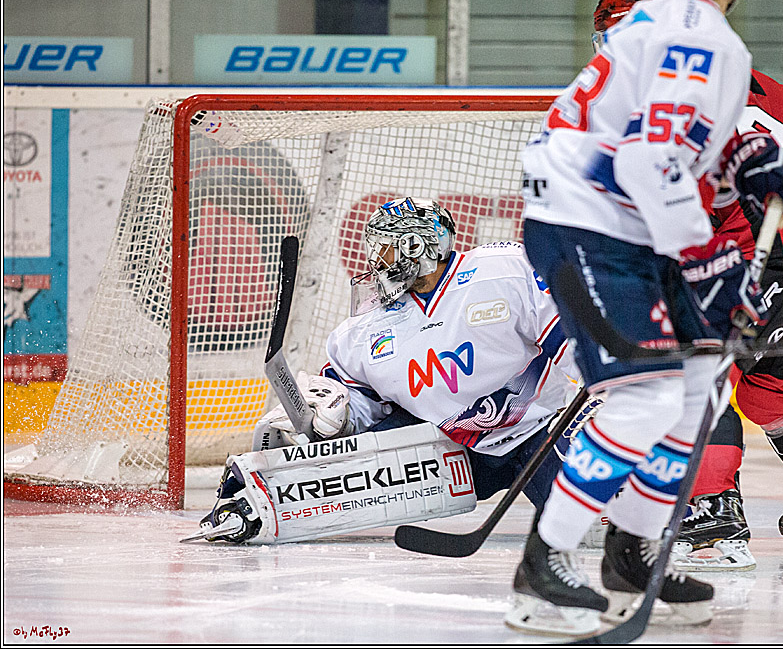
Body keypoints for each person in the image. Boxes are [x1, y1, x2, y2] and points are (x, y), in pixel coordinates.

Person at [509, 0, 783, 637]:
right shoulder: (704, 36)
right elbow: (650, 159)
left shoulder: (665, 23)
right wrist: (703, 258)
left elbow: (673, 143)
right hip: (592, 219)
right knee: (647, 395)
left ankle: (631, 556)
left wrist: (746, 159)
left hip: (622, 220)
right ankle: (541, 563)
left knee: (701, 391)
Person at [587, 0, 783, 575]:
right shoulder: (767, 86)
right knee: (771, 392)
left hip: (752, 262)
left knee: (696, 383)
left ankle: (712, 515)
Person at [196, 196, 587, 544]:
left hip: (540, 428)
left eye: (384, 251)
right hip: (445, 445)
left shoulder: (503, 271)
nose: (374, 263)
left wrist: (603, 396)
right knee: (343, 471)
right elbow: (364, 399)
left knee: (591, 521)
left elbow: (573, 342)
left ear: (417, 247)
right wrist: (333, 415)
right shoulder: (369, 326)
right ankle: (249, 502)